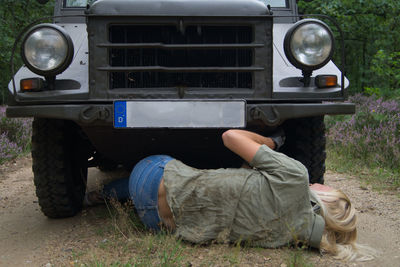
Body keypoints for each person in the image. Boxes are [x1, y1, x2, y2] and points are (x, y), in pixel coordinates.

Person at [85, 129, 375, 261]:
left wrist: (270, 141)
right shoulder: (288, 237)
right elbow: (243, 194)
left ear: (324, 199)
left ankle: (105, 193)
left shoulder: (297, 178)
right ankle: (108, 195)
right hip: (157, 225)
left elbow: (230, 137)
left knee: (163, 163)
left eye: (328, 188)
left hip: (147, 179)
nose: (321, 184)